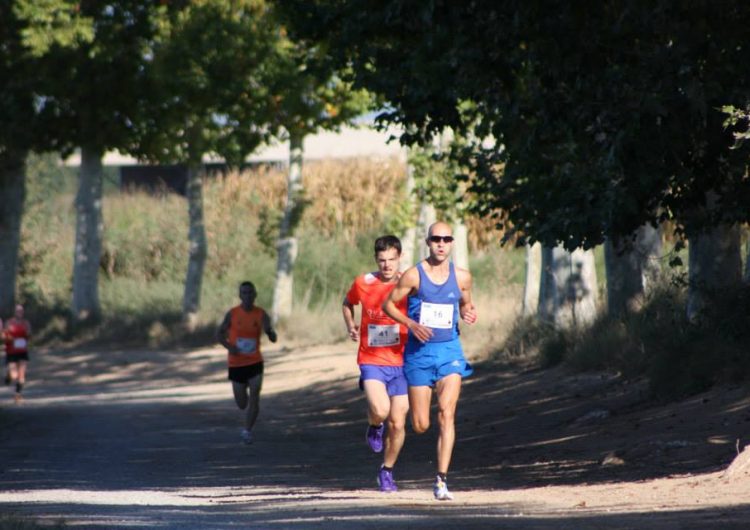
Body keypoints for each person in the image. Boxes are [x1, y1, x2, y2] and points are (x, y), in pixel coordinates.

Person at [383, 222, 477, 501]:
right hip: (418, 355)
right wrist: (411, 323)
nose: (441, 243)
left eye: (446, 239)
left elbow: (466, 304)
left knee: (447, 414)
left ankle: (441, 480)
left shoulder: (462, 277)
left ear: (451, 243)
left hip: (450, 352)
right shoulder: (413, 275)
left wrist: (469, 312)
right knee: (421, 424)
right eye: (436, 238)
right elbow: (389, 304)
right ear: (428, 241)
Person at [342, 235, 410, 492]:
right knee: (381, 411)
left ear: (399, 257)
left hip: (402, 361)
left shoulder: (409, 283)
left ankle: (387, 470)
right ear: (375, 260)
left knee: (399, 422)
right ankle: (374, 425)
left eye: (391, 259)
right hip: (371, 359)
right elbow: (347, 303)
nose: (387, 265)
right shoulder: (363, 282)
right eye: (381, 260)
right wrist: (351, 326)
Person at [217, 281, 277, 444]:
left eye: (250, 292)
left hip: (255, 361)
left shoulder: (261, 314)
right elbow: (220, 333)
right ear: (240, 295)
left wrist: (271, 334)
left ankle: (247, 431)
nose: (248, 296)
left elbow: (270, 332)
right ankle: (246, 407)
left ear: (255, 295)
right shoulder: (232, 314)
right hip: (236, 363)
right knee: (242, 403)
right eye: (244, 293)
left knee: (255, 395)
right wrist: (229, 346)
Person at [4, 304, 32, 404]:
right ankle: (8, 376)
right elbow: (4, 336)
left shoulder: (26, 323)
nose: (20, 312)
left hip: (22, 351)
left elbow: (29, 335)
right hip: (11, 352)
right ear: (14, 312)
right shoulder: (9, 322)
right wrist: (9, 338)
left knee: (21, 375)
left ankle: (18, 395)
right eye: (18, 311)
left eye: (21, 311)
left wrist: (28, 337)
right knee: (14, 375)